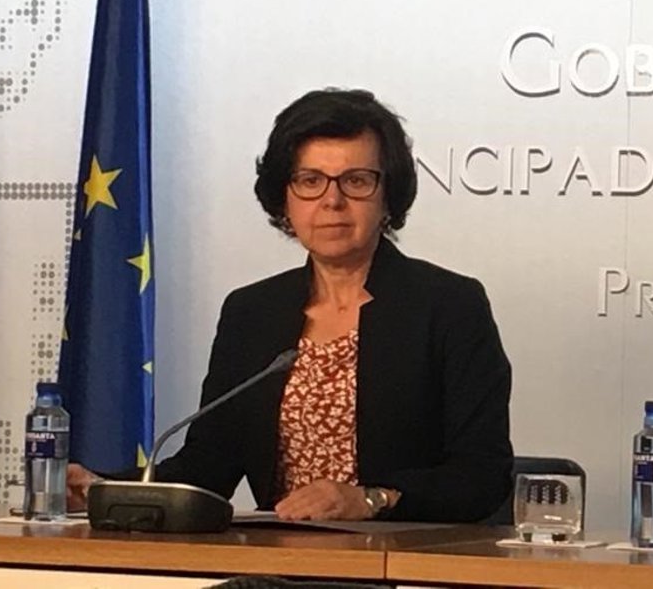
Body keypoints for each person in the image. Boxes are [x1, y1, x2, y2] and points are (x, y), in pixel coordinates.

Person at [68, 88, 513, 522]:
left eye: (356, 181)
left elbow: (482, 475)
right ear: (285, 198)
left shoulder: (448, 306)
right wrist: (103, 490)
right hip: (280, 556)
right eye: (310, 181)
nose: (332, 201)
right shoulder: (251, 313)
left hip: (399, 557)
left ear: (388, 197)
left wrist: (372, 499)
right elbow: (207, 466)